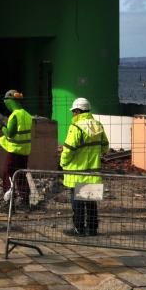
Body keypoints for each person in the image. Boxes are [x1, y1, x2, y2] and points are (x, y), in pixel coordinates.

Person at [59, 97, 108, 236]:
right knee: (91, 203)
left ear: (77, 111)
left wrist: (63, 162)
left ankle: (79, 229)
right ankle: (92, 229)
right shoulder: (97, 125)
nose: (73, 115)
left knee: (78, 204)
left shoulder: (76, 127)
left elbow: (68, 149)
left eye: (73, 112)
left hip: (77, 172)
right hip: (93, 172)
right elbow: (105, 147)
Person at [0, 89, 32, 207]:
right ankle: (24, 200)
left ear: (10, 101)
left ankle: (8, 200)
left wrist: (2, 127)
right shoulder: (27, 115)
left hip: (14, 150)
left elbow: (10, 133)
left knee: (8, 173)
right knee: (21, 174)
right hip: (25, 150)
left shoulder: (15, 115)